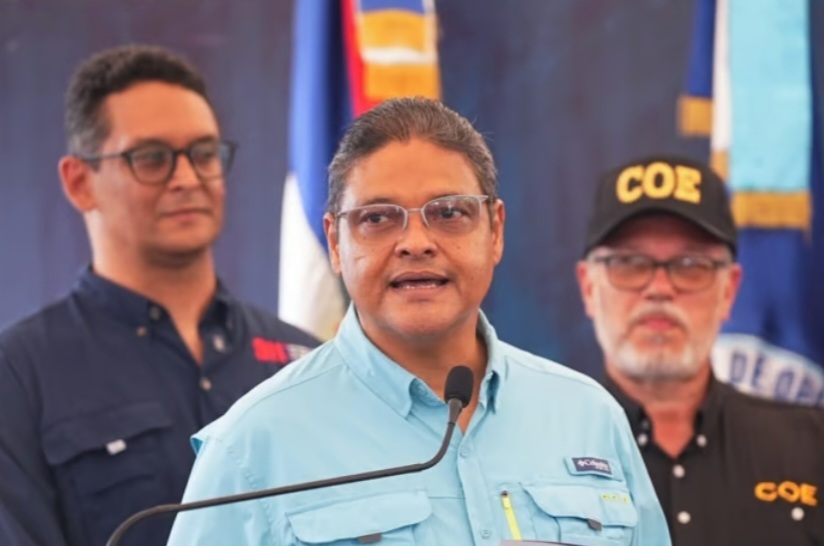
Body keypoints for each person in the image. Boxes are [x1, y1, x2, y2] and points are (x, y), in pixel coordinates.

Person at [166, 97, 670, 546]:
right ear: (336, 243)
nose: (416, 243)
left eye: (448, 213)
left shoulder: (588, 417)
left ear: (495, 231)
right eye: (378, 218)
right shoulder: (251, 447)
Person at [0, 45, 318, 546]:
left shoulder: (307, 362)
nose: (187, 179)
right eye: (151, 158)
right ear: (80, 182)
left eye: (204, 154)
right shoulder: (19, 375)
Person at [576, 155, 824, 546]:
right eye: (629, 262)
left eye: (690, 264)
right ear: (589, 287)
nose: (660, 289)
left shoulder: (813, 448)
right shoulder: (530, 450)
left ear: (729, 291)